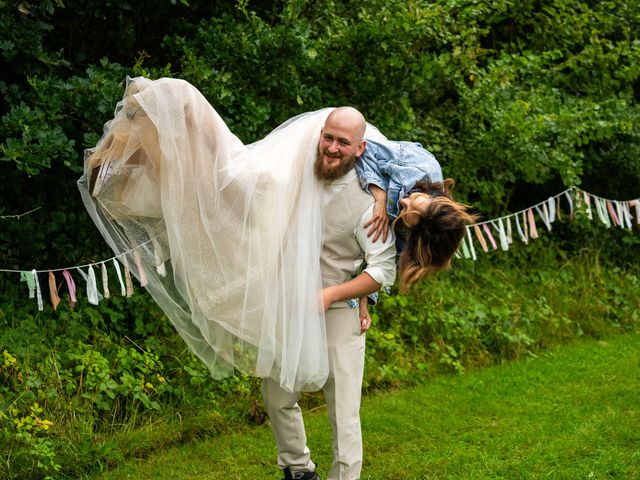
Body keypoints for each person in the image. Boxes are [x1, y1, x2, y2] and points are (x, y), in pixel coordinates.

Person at [261, 107, 396, 480]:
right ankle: (299, 468)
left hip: (339, 312)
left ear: (360, 149)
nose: (333, 148)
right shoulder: (299, 174)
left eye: (343, 142)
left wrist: (328, 295)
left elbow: (383, 271)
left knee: (343, 412)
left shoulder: (369, 204)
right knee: (277, 395)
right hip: (292, 309)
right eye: (328, 137)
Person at [355, 139, 478, 292]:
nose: (403, 201)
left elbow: (383, 258)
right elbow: (360, 148)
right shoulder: (418, 164)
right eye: (415, 198)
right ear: (434, 197)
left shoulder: (407, 238)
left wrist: (366, 295)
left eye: (404, 212)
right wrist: (379, 194)